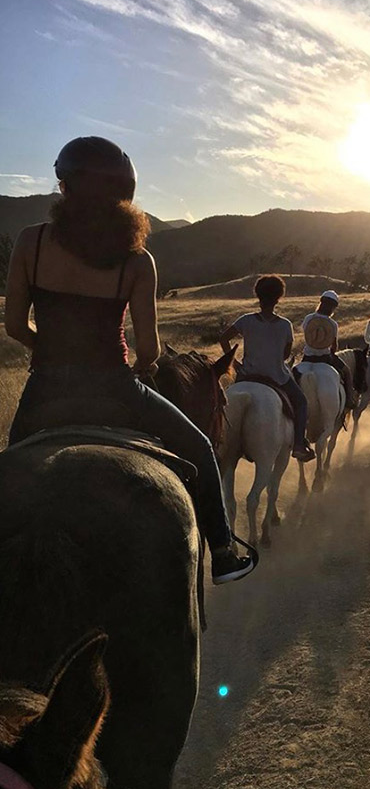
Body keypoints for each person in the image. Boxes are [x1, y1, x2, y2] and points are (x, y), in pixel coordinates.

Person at [5, 136, 254, 585]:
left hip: (45, 389)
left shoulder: (31, 242)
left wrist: (49, 351)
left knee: (10, 471)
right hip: (115, 388)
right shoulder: (138, 261)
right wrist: (139, 367)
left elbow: (15, 326)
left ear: (63, 188)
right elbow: (152, 352)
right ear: (126, 199)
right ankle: (222, 552)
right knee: (199, 448)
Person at [219, 275, 316, 463]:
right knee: (301, 402)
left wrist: (234, 363)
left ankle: (216, 442)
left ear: (258, 296)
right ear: (279, 298)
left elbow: (224, 338)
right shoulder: (285, 325)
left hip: (247, 376)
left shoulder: (245, 320)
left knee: (220, 402)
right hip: (276, 376)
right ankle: (298, 445)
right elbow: (285, 356)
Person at [301, 290, 356, 409]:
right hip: (325, 358)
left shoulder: (308, 318)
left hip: (307, 357)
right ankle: (350, 399)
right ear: (333, 308)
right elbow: (334, 346)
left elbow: (307, 336)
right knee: (346, 372)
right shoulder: (332, 324)